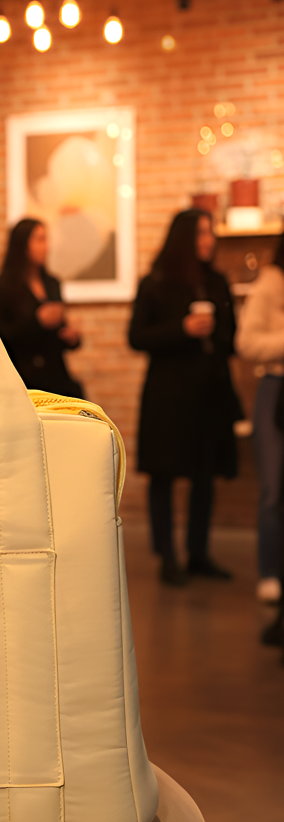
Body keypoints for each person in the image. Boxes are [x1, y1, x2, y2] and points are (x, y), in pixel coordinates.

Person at [129, 209, 242, 587]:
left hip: (209, 395)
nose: (209, 240)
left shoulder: (216, 282)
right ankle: (166, 556)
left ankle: (198, 553)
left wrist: (215, 332)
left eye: (211, 232)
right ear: (184, 238)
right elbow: (137, 337)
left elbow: (232, 338)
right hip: (169, 397)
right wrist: (183, 328)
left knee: (204, 475)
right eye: (201, 233)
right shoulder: (156, 283)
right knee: (164, 474)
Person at [235, 232, 284, 604]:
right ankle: (270, 572)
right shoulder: (270, 284)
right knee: (273, 488)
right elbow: (247, 343)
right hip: (277, 389)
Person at [0, 217, 84, 398]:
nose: (46, 246)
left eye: (46, 239)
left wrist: (70, 337)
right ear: (22, 244)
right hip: (20, 381)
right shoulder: (2, 288)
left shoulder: (52, 283)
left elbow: (56, 331)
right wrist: (37, 321)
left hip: (55, 378)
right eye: (39, 239)